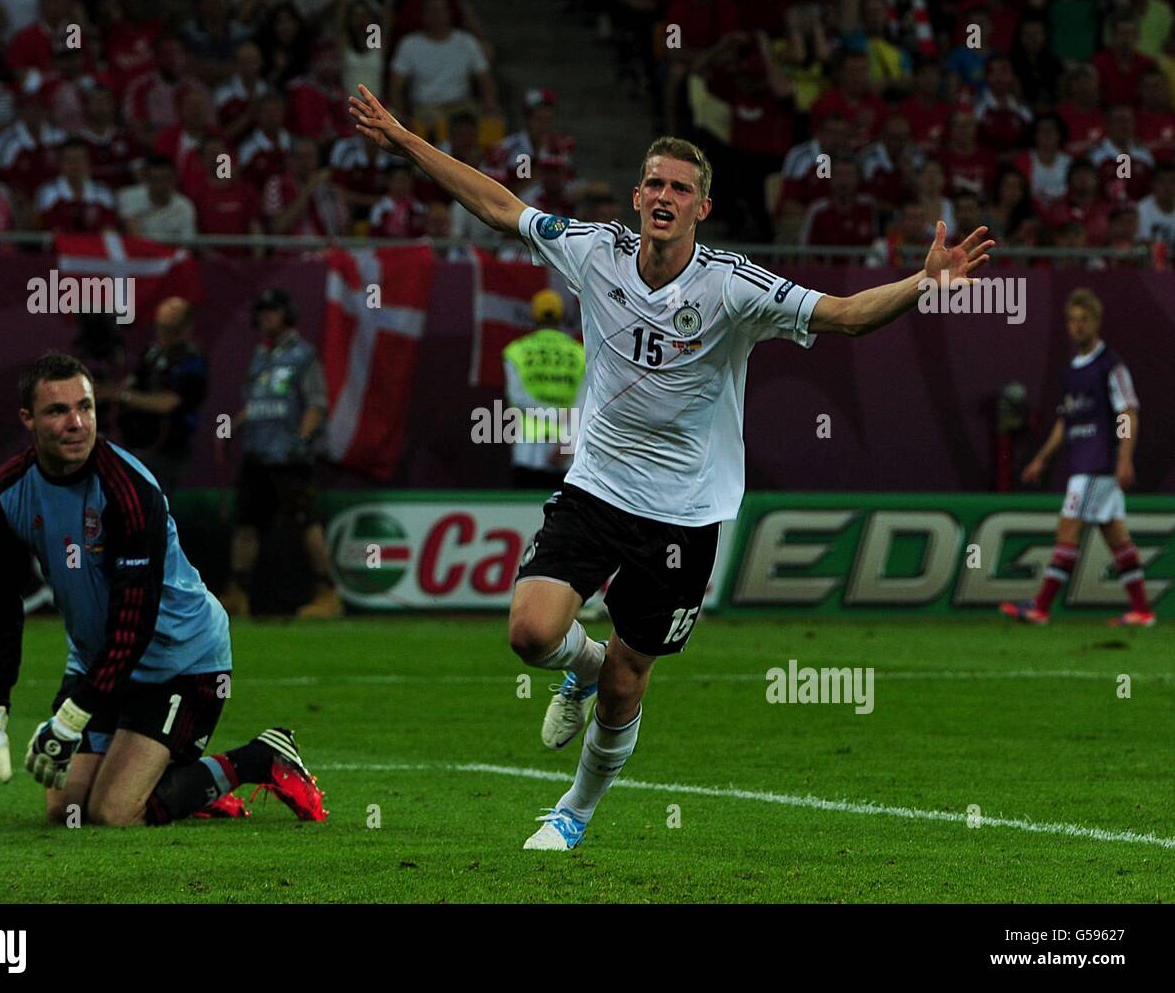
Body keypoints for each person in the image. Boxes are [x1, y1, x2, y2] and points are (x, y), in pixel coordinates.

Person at [348, 83, 995, 851]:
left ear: (701, 209)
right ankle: (577, 666)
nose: (664, 196)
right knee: (529, 633)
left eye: (680, 188)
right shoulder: (594, 250)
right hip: (596, 487)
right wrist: (405, 140)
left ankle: (574, 811)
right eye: (654, 183)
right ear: (636, 196)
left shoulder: (734, 288)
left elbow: (847, 316)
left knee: (629, 679)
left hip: (683, 514)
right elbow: (496, 205)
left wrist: (925, 284)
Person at [0, 352, 328, 825]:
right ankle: (184, 787)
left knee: (115, 813)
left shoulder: (129, 491)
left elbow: (132, 624)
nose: (76, 423)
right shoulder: (3, 495)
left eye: (86, 407)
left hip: (180, 660)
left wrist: (72, 718)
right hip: (101, 661)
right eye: (57, 411)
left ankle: (258, 758)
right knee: (66, 810)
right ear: (27, 419)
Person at [1002, 291, 1154, 628]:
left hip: (1097, 463)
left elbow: (1128, 410)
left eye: (1083, 320)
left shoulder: (1110, 364)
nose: (1077, 326)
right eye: (1072, 320)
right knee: (1115, 535)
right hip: (1082, 461)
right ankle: (1142, 610)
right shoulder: (1073, 369)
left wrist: (1125, 457)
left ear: (1097, 322)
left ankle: (1040, 606)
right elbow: (1065, 421)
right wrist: (1041, 459)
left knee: (1067, 527)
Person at [220, 289, 341, 618]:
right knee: (245, 523)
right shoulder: (261, 355)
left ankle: (327, 591)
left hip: (288, 455)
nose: (265, 318)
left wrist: (302, 439)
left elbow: (316, 402)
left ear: (287, 314)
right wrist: (233, 425)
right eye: (261, 312)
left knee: (306, 523)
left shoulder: (303, 355)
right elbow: (257, 402)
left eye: (271, 311)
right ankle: (238, 592)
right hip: (258, 451)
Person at [114, 298, 208, 499]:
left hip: (167, 449)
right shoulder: (152, 353)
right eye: (160, 327)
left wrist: (121, 395)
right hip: (137, 444)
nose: (164, 334)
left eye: (171, 329)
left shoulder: (192, 360)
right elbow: (132, 383)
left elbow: (168, 403)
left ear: (186, 329)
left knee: (156, 509)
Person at [502, 288, 584, 489]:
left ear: (533, 316)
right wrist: (568, 444)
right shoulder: (580, 353)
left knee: (524, 516)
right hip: (564, 454)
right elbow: (584, 403)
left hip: (527, 451)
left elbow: (517, 397)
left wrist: (550, 414)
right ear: (562, 316)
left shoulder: (516, 351)